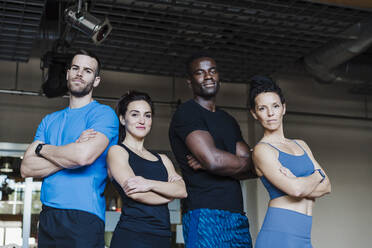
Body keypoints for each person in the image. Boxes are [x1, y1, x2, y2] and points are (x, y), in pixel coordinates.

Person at [20, 50, 119, 248]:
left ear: (96, 80)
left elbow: (83, 157)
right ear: (67, 73)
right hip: (48, 215)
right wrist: (71, 150)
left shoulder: (103, 114)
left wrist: (42, 148)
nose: (79, 73)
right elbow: (26, 168)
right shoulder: (49, 121)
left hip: (84, 216)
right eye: (75, 68)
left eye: (87, 70)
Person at [169, 52, 256, 248]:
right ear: (190, 81)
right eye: (200, 73)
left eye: (212, 71)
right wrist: (217, 163)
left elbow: (255, 167)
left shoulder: (228, 120)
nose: (208, 76)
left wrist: (216, 163)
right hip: (205, 214)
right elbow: (215, 161)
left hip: (237, 217)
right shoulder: (187, 113)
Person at [249, 76, 331, 248]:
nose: (270, 113)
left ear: (284, 108)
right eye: (262, 108)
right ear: (254, 113)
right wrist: (317, 176)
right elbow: (296, 189)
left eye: (275, 106)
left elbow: (327, 187)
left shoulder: (301, 144)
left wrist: (299, 182)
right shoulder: (262, 150)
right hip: (280, 234)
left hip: (304, 235)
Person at [107, 91, 187, 248]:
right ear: (123, 119)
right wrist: (168, 195)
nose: (142, 120)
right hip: (132, 235)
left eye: (147, 115)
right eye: (135, 114)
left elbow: (182, 190)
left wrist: (149, 184)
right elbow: (135, 192)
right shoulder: (117, 151)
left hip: (162, 236)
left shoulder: (163, 159)